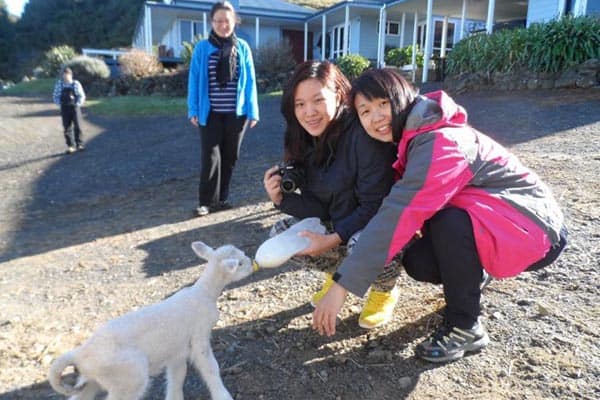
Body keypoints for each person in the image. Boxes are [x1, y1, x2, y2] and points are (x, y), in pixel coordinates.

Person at [312, 68, 568, 362]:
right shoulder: (413, 138)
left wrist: (342, 285)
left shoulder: (441, 142)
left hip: (538, 230)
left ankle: (465, 326)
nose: (376, 116)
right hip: (505, 223)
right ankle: (473, 278)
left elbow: (398, 214)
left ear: (404, 97)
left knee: (448, 221)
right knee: (420, 261)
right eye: (365, 111)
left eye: (383, 103)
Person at [262, 60, 401, 329]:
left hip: (380, 223)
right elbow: (322, 207)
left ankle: (384, 290)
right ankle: (335, 272)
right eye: (300, 104)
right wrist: (282, 199)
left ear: (338, 95)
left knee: (359, 243)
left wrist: (332, 239)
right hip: (341, 222)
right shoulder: (304, 138)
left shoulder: (362, 135)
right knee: (281, 234)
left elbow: (376, 205)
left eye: (317, 100)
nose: (309, 112)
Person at [187, 1, 259, 217]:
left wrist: (253, 111)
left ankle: (222, 199)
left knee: (230, 157)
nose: (222, 25)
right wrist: (193, 109)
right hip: (210, 113)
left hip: (236, 114)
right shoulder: (202, 48)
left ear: (234, 22)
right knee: (211, 157)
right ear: (212, 22)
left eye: (226, 21)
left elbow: (250, 81)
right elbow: (194, 79)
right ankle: (205, 202)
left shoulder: (243, 47)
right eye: (218, 21)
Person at [53, 67, 86, 154]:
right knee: (67, 127)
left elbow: (81, 95)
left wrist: (78, 104)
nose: (66, 78)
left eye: (67, 76)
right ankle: (71, 146)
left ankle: (80, 144)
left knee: (78, 126)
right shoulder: (59, 84)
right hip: (64, 108)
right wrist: (60, 104)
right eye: (64, 76)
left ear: (71, 75)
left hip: (74, 107)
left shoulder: (76, 84)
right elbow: (55, 96)